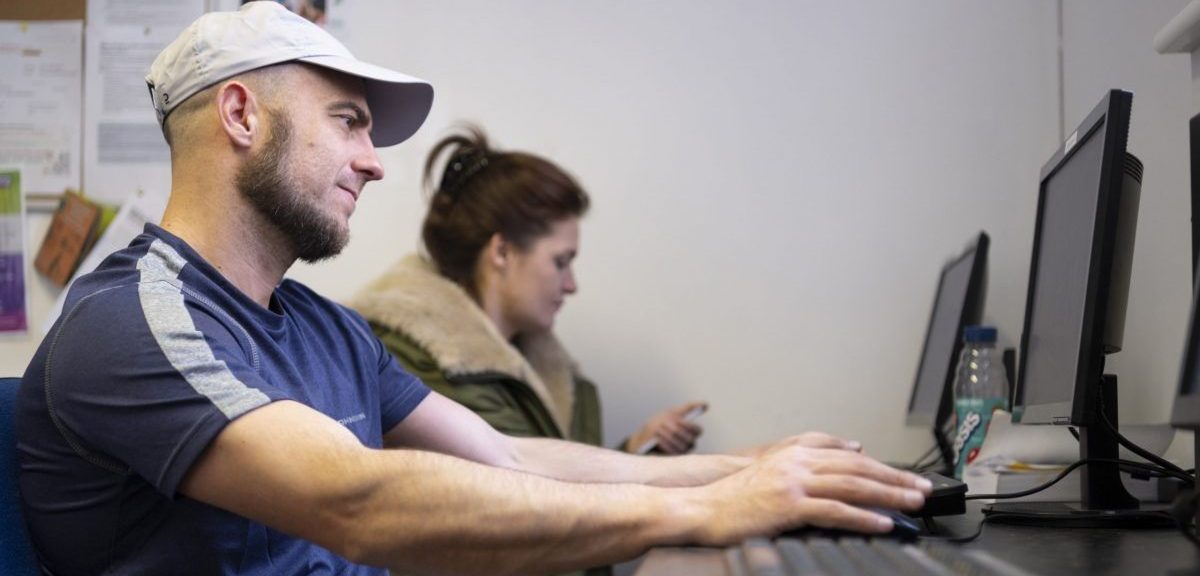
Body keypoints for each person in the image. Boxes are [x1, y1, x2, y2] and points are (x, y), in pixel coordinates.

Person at [15, 3, 931, 576]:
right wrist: (700, 508)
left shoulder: (326, 332)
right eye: (348, 122)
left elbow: (514, 459)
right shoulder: (130, 323)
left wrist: (755, 470)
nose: (375, 164)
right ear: (243, 115)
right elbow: (357, 504)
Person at [348, 126, 704, 457]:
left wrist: (637, 450)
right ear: (502, 252)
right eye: (560, 262)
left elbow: (561, 497)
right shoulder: (415, 365)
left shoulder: (546, 371)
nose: (571, 285)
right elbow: (531, 500)